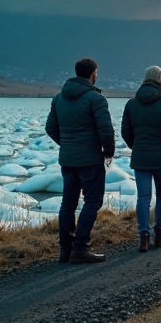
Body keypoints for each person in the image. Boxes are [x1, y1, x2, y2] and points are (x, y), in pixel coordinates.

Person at [45, 57, 115, 264]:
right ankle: (80, 248)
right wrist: (108, 152)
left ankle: (65, 250)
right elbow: (106, 130)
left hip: (68, 159)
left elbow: (50, 128)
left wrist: (66, 144)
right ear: (93, 74)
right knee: (92, 201)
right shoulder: (96, 99)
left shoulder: (59, 98)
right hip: (90, 159)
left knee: (68, 202)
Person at [121, 65, 161, 252]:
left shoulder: (131, 104)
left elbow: (125, 132)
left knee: (143, 197)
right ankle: (160, 235)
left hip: (141, 158)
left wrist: (137, 147)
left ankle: (144, 237)